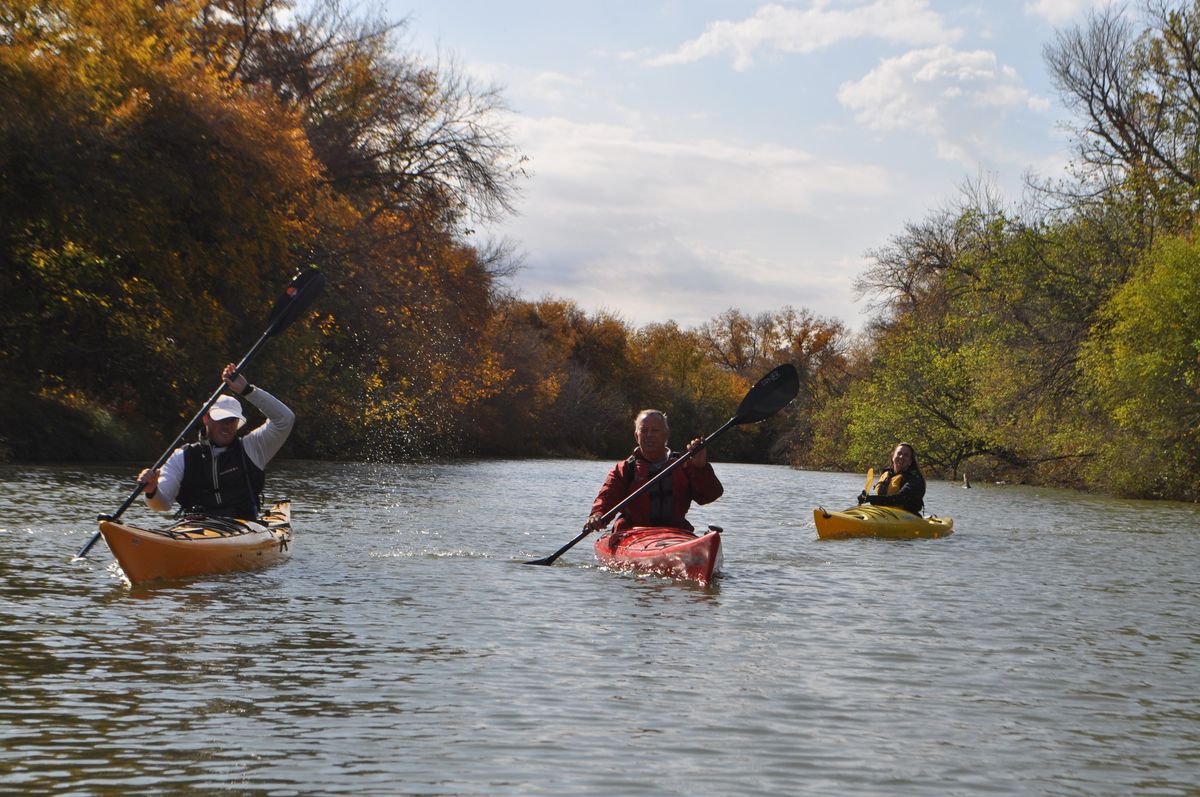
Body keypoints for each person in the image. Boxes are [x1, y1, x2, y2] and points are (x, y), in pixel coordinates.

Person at [137, 363, 294, 519]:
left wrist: (247, 390)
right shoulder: (182, 457)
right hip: (196, 528)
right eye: (221, 419)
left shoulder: (252, 448)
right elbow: (162, 504)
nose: (227, 426)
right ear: (206, 419)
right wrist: (151, 490)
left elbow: (285, 419)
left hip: (245, 529)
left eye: (232, 420)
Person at [584, 409, 723, 535]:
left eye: (655, 430)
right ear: (636, 436)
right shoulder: (625, 469)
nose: (649, 435)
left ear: (666, 435)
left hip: (675, 534)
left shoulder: (684, 465)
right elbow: (607, 495)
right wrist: (597, 515)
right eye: (644, 431)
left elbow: (709, 496)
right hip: (633, 535)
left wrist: (701, 468)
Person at [858, 441, 926, 515]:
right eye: (899, 453)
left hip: (907, 517)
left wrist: (871, 499)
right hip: (883, 513)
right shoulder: (887, 474)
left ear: (910, 461)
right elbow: (882, 497)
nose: (901, 457)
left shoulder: (914, 479)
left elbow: (899, 499)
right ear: (893, 457)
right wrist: (865, 498)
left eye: (906, 455)